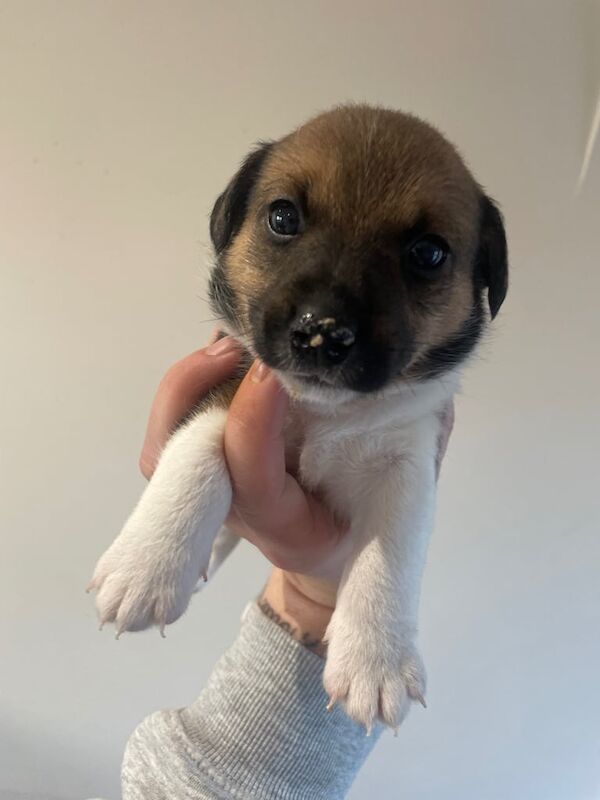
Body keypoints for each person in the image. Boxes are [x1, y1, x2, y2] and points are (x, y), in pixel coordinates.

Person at [122, 333, 454, 799]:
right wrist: (173, 531)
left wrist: (376, 623)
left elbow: (401, 472)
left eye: (424, 256)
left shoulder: (418, 398)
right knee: (234, 431)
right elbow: (223, 423)